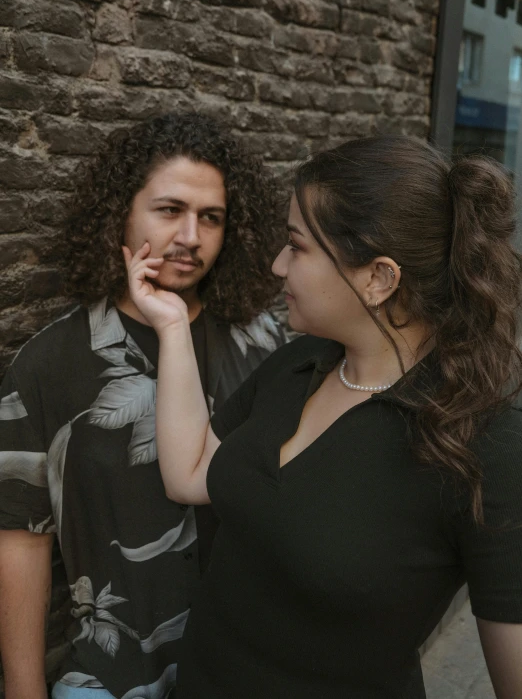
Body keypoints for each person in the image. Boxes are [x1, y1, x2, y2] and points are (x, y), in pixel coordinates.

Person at [126, 135, 522, 699]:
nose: (277, 264)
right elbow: (190, 474)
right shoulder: (300, 362)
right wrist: (170, 328)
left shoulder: (485, 439)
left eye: (297, 246)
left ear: (378, 278)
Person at [0, 112, 287, 699]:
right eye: (169, 210)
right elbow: (21, 541)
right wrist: (23, 689)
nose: (190, 236)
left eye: (211, 217)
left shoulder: (264, 345)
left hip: (248, 664)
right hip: (111, 675)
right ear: (120, 218)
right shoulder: (47, 365)